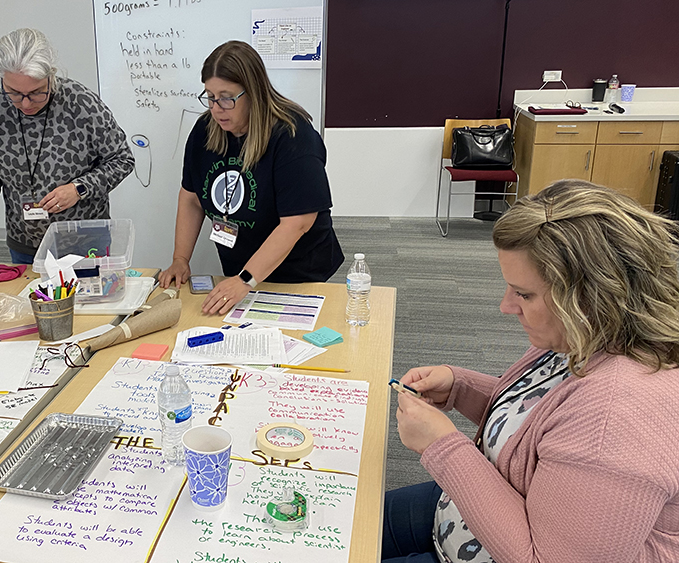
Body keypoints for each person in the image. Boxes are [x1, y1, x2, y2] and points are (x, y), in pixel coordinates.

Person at [386, 180, 679, 563]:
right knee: (343, 520)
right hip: (473, 514)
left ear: (590, 296)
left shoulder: (618, 417)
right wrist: (461, 388)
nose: (506, 306)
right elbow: (544, 422)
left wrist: (442, 446)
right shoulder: (585, 333)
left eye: (523, 294)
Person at [159, 41, 343, 315]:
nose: (217, 108)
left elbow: (298, 223)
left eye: (226, 97)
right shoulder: (205, 131)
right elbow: (191, 199)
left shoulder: (293, 135)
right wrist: (180, 259)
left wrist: (247, 279)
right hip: (240, 272)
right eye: (209, 96)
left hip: (299, 273)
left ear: (253, 92)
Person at [0, 28, 134, 277]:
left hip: (86, 241)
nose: (26, 103)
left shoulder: (80, 104)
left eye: (37, 92)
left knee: (89, 309)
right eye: (14, 93)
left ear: (51, 76)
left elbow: (122, 159)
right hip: (25, 245)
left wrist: (79, 188)